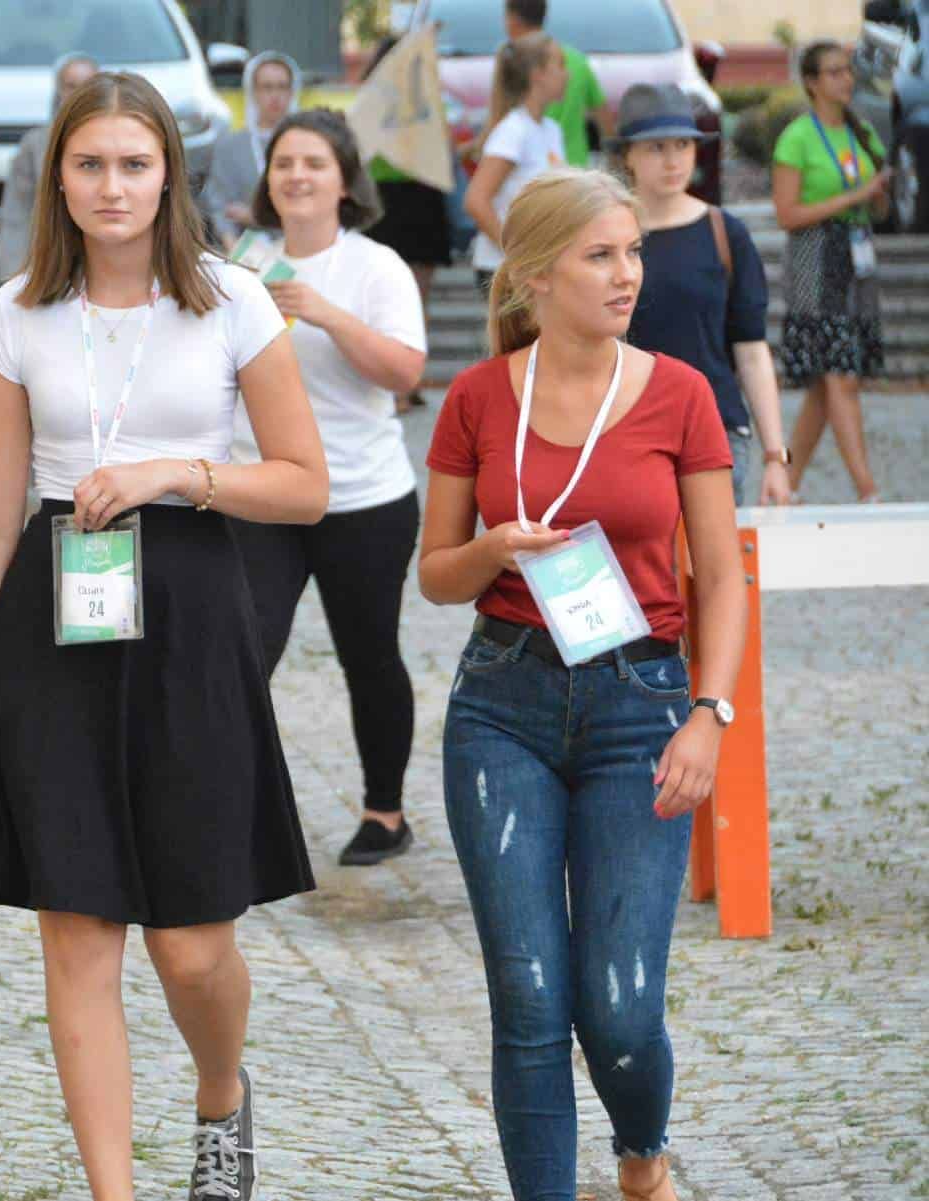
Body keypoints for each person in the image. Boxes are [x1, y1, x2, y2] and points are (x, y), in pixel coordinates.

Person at [0, 72, 329, 1201]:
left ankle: (220, 1091)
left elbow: (304, 484)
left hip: (193, 614)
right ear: (57, 178)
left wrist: (176, 474)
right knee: (78, 933)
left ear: (169, 176)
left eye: (133, 164)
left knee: (191, 944)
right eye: (90, 164)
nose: (112, 186)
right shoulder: (16, 313)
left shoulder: (233, 300)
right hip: (51, 630)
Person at [420, 168, 747, 1201]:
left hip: (641, 704)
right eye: (600, 255)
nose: (627, 274)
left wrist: (709, 713)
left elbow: (720, 574)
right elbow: (436, 574)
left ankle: (642, 1154)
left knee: (619, 1004)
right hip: (502, 704)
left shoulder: (680, 394)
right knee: (528, 997)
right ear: (535, 275)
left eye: (633, 252)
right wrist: (493, 549)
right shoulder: (478, 397)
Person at [228, 109, 428, 867]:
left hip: (362, 497)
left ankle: (385, 812)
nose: (297, 176)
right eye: (283, 163)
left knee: (368, 654)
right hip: (264, 493)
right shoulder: (243, 260)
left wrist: (325, 314)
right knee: (243, 650)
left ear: (345, 181)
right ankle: (235, 809)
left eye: (314, 163)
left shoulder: (377, 266)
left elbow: (405, 374)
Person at [615, 84, 793, 507]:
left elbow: (751, 349)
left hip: (716, 428)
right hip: (626, 429)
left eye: (683, 145)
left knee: (713, 547)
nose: (673, 160)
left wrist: (775, 457)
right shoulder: (607, 237)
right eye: (657, 147)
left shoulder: (725, 233)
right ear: (627, 155)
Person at [772, 39, 890, 503]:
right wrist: (854, 197)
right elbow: (787, 214)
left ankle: (787, 485)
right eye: (835, 71)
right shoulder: (797, 138)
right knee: (841, 376)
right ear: (811, 82)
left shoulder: (863, 133)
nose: (846, 79)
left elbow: (879, 209)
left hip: (857, 260)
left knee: (827, 387)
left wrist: (879, 197)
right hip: (815, 261)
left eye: (848, 70)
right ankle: (868, 490)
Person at [360, 33, 454, 414]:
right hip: (397, 199)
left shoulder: (420, 99)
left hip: (412, 197)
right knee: (402, 297)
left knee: (415, 297)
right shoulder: (384, 101)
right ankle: (397, 386)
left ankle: (407, 381)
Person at [465, 33, 566, 295]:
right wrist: (517, 255)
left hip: (538, 268)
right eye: (560, 65)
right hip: (504, 270)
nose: (567, 74)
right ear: (538, 75)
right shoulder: (513, 130)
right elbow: (476, 201)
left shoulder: (550, 129)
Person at [0, 52, 100, 278]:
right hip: (50, 265)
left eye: (87, 85)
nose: (79, 93)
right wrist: (12, 274)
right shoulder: (35, 144)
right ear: (58, 91)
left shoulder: (121, 141)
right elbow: (16, 215)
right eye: (71, 86)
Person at [200, 51, 299, 247]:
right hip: (248, 253)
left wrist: (255, 217)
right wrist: (235, 253)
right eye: (267, 87)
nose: (275, 96)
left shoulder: (308, 145)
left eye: (282, 87)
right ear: (253, 91)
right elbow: (220, 206)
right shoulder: (231, 147)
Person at [503, 0, 612, 168]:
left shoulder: (510, 63)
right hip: (576, 168)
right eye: (561, 67)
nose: (567, 75)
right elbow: (605, 121)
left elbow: (498, 116)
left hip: (558, 172)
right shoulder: (577, 60)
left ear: (512, 19)